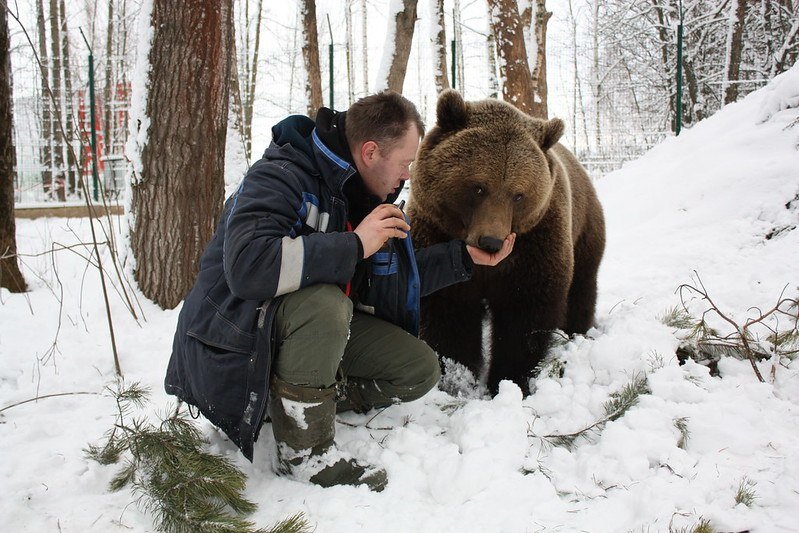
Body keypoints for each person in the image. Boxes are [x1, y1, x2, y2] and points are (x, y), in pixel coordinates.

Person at [165, 91, 515, 492]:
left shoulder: (362, 193)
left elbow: (389, 278)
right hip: (232, 349)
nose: (408, 176)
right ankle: (305, 454)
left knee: (417, 368)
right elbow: (248, 267)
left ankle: (288, 402)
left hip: (296, 335)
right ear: (369, 152)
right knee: (325, 304)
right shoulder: (281, 174)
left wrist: (465, 259)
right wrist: (353, 245)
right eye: (405, 164)